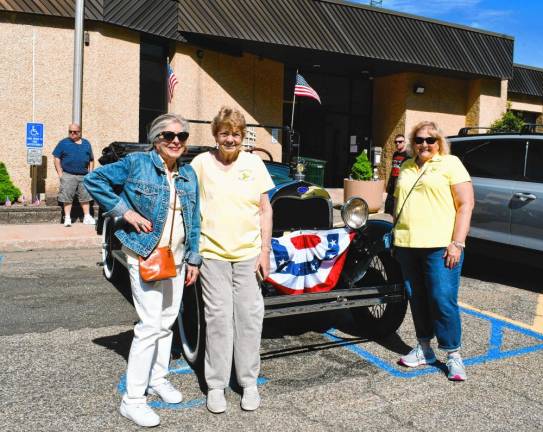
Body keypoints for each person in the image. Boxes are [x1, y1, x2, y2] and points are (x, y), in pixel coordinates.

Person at [84, 114, 202, 427]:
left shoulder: (189, 174)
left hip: (176, 259)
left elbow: (195, 219)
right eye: (168, 135)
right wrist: (125, 213)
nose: (176, 140)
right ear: (155, 139)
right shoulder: (137, 164)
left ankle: (158, 379)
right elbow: (93, 180)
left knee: (166, 323)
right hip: (146, 255)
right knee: (149, 325)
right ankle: (132, 400)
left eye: (182, 135)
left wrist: (194, 258)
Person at [191, 106, 274, 413]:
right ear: (216, 135)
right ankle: (216, 385)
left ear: (243, 137)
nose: (230, 139)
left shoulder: (253, 164)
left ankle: (248, 382)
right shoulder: (201, 163)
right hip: (212, 254)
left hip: (249, 255)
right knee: (218, 321)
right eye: (224, 133)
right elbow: (189, 205)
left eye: (235, 134)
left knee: (250, 319)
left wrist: (265, 251)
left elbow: (265, 209)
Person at [393, 121, 474, 381]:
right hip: (407, 244)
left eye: (430, 140)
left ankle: (453, 355)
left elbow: (465, 204)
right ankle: (424, 348)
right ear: (412, 142)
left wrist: (457, 243)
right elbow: (397, 203)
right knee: (416, 297)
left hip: (440, 245)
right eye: (419, 140)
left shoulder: (450, 164)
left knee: (442, 299)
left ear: (439, 142)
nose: (424, 144)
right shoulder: (405, 166)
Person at [53, 123, 95, 226]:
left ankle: (87, 217)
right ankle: (67, 218)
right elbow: (56, 158)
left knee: (85, 196)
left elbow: (91, 159)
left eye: (75, 132)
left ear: (79, 132)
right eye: (70, 131)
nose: (72, 133)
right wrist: (60, 173)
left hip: (83, 175)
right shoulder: (63, 143)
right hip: (68, 174)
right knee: (67, 196)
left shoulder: (86, 143)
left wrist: (90, 173)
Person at [384, 133, 408, 215]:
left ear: (404, 142)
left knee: (398, 204)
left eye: (400, 141)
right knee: (388, 206)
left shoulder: (408, 155)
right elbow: (393, 168)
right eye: (396, 142)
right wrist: (389, 183)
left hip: (401, 181)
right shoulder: (395, 154)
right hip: (393, 181)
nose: (397, 143)